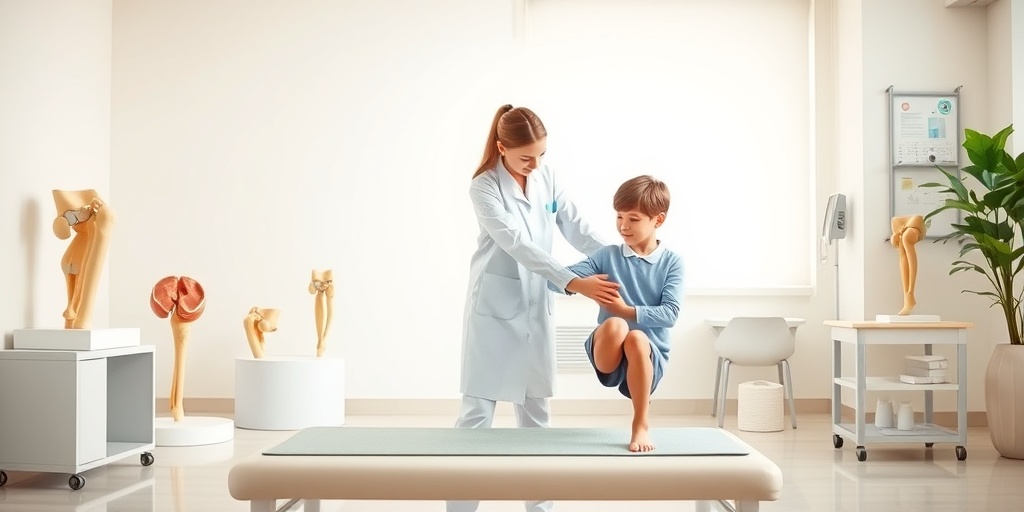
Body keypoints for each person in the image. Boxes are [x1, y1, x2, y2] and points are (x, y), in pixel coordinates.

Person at [453, 105, 619, 512]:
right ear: (501, 148)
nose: (536, 164)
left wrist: (618, 261)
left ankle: (540, 509)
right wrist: (572, 280)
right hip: (493, 309)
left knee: (537, 415)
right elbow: (516, 244)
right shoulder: (484, 187)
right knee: (476, 417)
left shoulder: (546, 177)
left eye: (541, 155)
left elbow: (577, 228)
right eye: (527, 157)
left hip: (534, 307)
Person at [550, 175, 684, 452]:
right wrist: (583, 286)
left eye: (633, 219)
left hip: (649, 357)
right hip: (608, 354)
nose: (623, 226)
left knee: (636, 338)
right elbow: (555, 280)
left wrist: (625, 310)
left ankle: (640, 425)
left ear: (657, 220)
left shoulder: (672, 263)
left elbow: (670, 314)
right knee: (616, 326)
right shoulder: (606, 256)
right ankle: (619, 329)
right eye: (619, 216)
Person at [52, 189, 114, 329]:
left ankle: (71, 312)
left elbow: (63, 232)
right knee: (79, 282)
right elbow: (62, 233)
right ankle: (72, 310)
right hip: (77, 256)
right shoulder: (91, 228)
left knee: (76, 289)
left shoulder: (91, 225)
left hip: (71, 257)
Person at [891, 214, 926, 315]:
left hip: (915, 222)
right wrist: (895, 237)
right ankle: (908, 297)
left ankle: (910, 293)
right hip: (899, 223)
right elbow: (895, 243)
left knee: (905, 241)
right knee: (902, 249)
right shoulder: (896, 225)